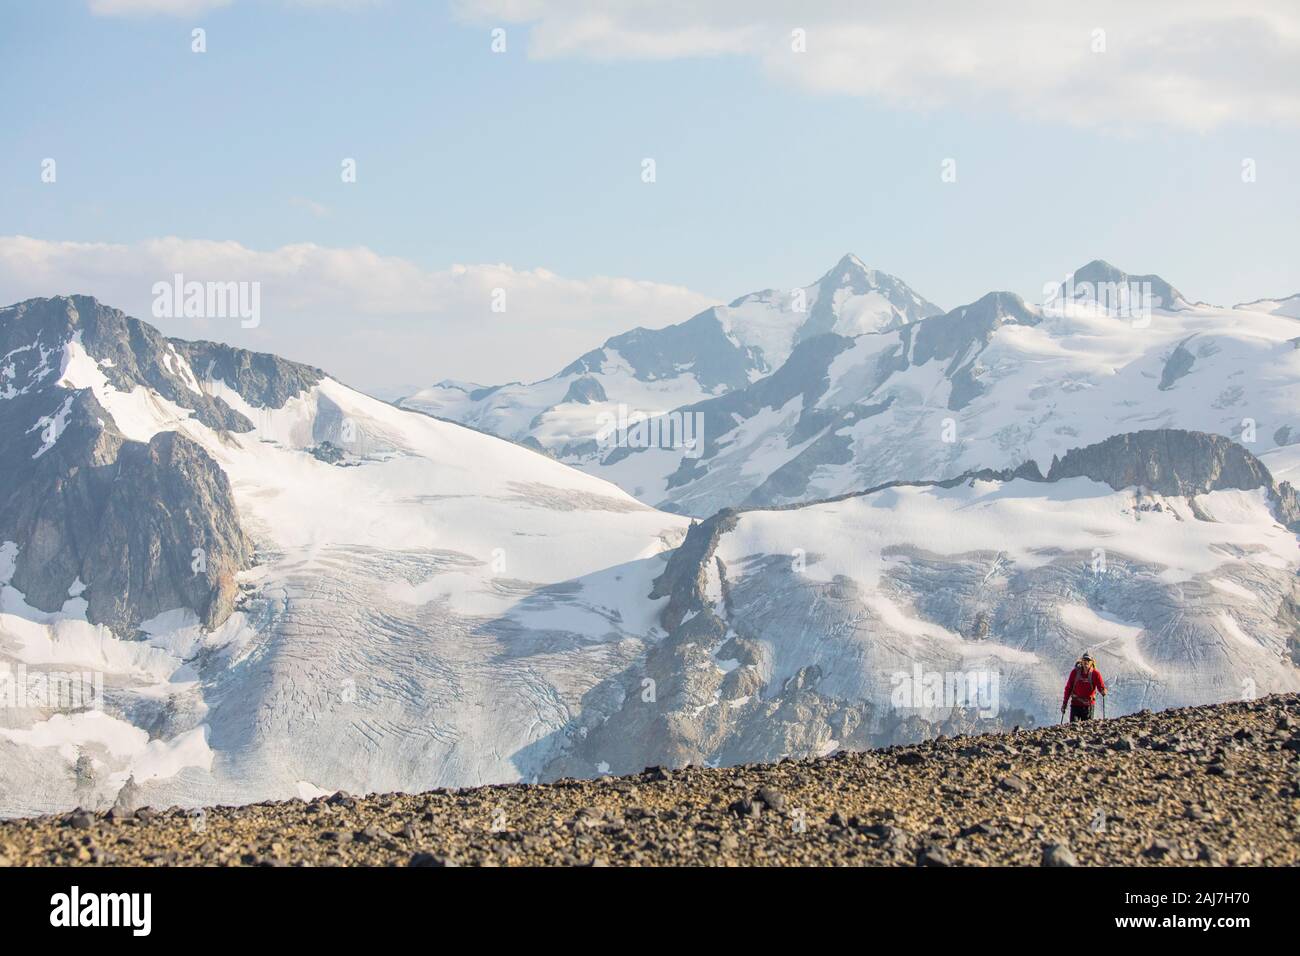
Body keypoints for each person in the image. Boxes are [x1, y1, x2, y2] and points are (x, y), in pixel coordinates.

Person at [1061, 653, 1106, 722]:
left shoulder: (1095, 674)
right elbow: (1068, 688)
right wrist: (1064, 703)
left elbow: (1101, 687)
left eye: (1088, 660)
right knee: (1075, 727)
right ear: (1081, 661)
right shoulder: (1075, 672)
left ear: (1091, 662)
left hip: (1088, 706)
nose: (1086, 662)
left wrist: (1103, 691)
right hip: (1076, 705)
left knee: (1086, 728)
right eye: (1084, 660)